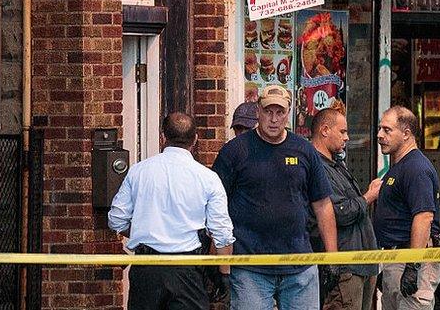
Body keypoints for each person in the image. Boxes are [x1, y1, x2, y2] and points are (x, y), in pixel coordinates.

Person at [212, 84, 338, 309]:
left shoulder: (304, 150)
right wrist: (220, 263)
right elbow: (215, 207)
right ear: (258, 112)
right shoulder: (235, 151)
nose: (273, 119)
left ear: (288, 114)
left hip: (300, 264)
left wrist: (332, 259)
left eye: (280, 112)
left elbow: (322, 205)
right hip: (250, 265)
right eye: (268, 111)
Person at [108, 112, 234, 310]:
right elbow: (223, 235)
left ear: (162, 137)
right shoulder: (207, 178)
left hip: (146, 268)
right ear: (196, 139)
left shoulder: (139, 171)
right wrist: (224, 277)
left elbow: (116, 220)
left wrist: (146, 231)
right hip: (187, 271)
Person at [372, 106, 440, 310]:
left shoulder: (416, 168)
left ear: (406, 134)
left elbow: (424, 217)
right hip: (395, 261)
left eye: (387, 130)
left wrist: (413, 266)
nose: (379, 135)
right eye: (380, 129)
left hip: (411, 263)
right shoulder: (400, 166)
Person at [309, 107, 380, 310]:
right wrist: (368, 197)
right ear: (324, 130)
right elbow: (339, 212)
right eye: (343, 132)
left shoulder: (336, 164)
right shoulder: (317, 167)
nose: (347, 138)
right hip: (344, 266)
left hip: (362, 263)